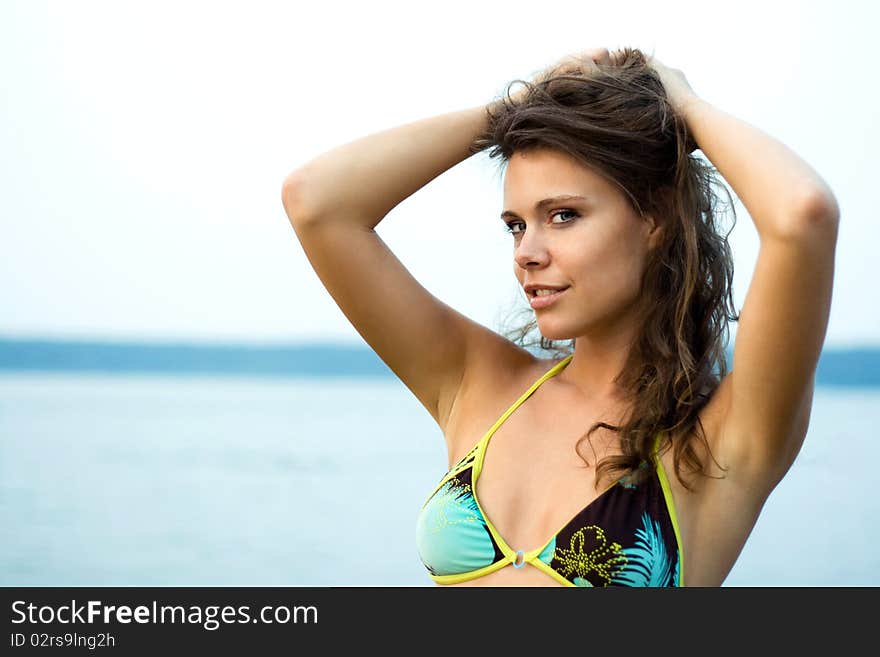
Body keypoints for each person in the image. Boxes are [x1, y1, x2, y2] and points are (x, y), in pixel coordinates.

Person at [280, 47, 839, 587]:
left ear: (656, 217)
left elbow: (802, 213)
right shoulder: (481, 384)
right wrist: (512, 109)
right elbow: (318, 202)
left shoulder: (721, 438)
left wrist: (683, 102)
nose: (527, 252)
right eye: (516, 224)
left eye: (563, 215)